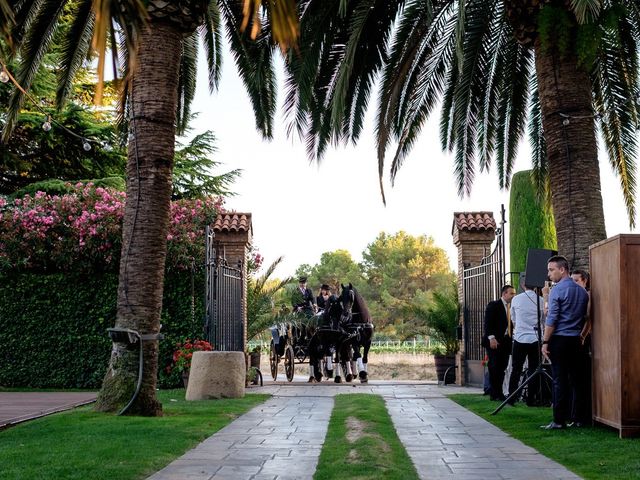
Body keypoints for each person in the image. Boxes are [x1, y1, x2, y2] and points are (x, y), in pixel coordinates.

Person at [540, 255, 589, 430]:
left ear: (562, 269)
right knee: (578, 381)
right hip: (576, 340)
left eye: (551, 270)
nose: (549, 274)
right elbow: (586, 318)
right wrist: (581, 336)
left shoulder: (557, 290)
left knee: (560, 380)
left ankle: (559, 420)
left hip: (560, 340)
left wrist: (545, 342)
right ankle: (579, 418)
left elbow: (552, 319)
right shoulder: (582, 291)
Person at [507, 276, 544, 405]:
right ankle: (531, 398)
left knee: (516, 369)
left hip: (520, 338)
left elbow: (513, 319)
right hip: (535, 338)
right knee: (534, 369)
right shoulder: (540, 300)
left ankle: (511, 397)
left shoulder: (516, 300)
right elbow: (543, 319)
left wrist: (520, 327)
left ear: (523, 286)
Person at [482, 284, 516, 401]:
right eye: (511, 293)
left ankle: (500, 392)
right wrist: (491, 338)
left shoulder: (512, 307)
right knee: (494, 366)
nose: (513, 296)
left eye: (514, 293)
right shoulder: (494, 305)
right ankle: (493, 393)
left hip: (506, 341)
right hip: (494, 341)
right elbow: (488, 323)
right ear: (504, 294)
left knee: (503, 367)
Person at [571, 269, 592, 425]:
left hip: (584, 341)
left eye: (576, 281)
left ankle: (581, 416)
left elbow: (589, 319)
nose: (574, 284)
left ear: (584, 280)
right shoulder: (577, 296)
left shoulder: (587, 295)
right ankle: (575, 415)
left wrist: (583, 336)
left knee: (581, 379)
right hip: (576, 340)